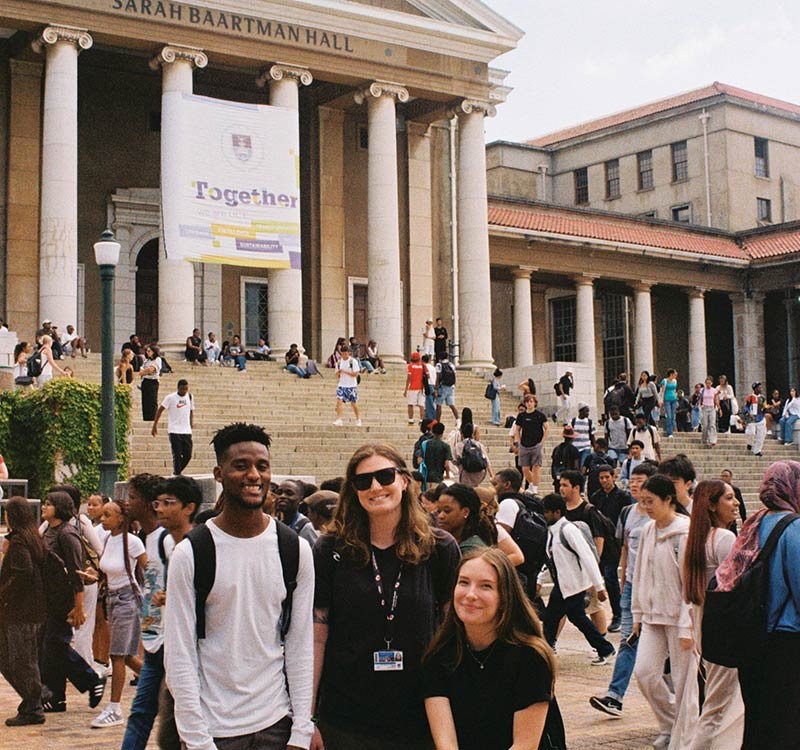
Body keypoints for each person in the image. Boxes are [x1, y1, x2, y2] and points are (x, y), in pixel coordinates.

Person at [165, 422, 315, 750]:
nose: (254, 475)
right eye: (241, 466)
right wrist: (197, 737)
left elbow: (301, 641)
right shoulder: (191, 553)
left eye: (262, 466)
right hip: (214, 729)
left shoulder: (294, 549)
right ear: (219, 474)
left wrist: (301, 729)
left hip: (276, 722)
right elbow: (179, 652)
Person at [312, 443, 461, 750]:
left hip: (420, 711)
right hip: (346, 716)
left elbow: (452, 630)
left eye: (385, 476)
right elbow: (317, 636)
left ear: (404, 481)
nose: (376, 487)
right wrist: (308, 717)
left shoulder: (439, 547)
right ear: (353, 490)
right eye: (363, 481)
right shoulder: (331, 549)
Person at [422, 548, 563, 750]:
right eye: (463, 582)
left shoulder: (530, 657)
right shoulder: (439, 656)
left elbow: (525, 745)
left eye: (485, 586)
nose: (470, 594)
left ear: (505, 597)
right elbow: (446, 743)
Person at [713, 461, 800, 749]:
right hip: (785, 642)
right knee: (785, 725)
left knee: (758, 721)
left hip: (752, 638)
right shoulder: (793, 527)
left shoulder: (754, 523)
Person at [121, 475, 200, 750]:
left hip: (179, 642)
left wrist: (173, 596)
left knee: (175, 720)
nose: (161, 509)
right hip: (157, 639)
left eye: (168, 503)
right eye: (159, 503)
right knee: (143, 711)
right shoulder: (152, 538)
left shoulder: (180, 544)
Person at [631, 474, 696, 750]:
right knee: (645, 673)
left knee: (683, 683)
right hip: (651, 616)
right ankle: (670, 724)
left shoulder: (685, 532)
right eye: (642, 502)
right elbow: (640, 573)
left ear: (668, 500)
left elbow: (690, 583)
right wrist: (637, 613)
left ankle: (685, 738)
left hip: (679, 619)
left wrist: (686, 625)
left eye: (651, 501)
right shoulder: (648, 530)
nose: (646, 507)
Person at [589, 462, 657, 718]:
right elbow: (626, 545)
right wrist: (623, 577)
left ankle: (685, 700)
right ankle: (615, 697)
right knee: (628, 640)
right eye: (633, 479)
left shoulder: (660, 512)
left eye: (641, 480)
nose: (635, 484)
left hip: (657, 589)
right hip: (632, 587)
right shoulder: (628, 511)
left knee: (667, 650)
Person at [682, 480, 744, 750]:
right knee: (717, 707)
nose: (736, 503)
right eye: (729, 498)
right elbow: (737, 587)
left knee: (716, 703)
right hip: (724, 629)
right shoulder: (724, 539)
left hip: (705, 623)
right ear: (711, 505)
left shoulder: (698, 540)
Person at [39, 492, 107, 714]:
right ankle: (56, 697)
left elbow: (76, 573)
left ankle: (91, 679)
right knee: (49, 647)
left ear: (60, 507)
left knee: (55, 644)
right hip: (48, 598)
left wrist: (78, 607)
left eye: (49, 504)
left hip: (63, 599)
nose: (44, 507)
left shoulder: (68, 534)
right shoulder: (49, 530)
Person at [538, 493, 616, 664]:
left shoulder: (568, 530)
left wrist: (599, 586)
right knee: (555, 617)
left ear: (557, 512)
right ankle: (547, 649)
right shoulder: (552, 531)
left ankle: (605, 649)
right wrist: (540, 580)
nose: (544, 515)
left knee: (572, 617)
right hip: (563, 586)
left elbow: (587, 556)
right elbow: (552, 560)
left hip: (573, 585)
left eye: (547, 512)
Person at [89, 500, 146, 728]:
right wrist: (94, 575)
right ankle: (166, 685)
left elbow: (147, 567)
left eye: (107, 515)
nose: (102, 520)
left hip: (127, 599)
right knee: (128, 655)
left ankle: (114, 708)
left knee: (117, 655)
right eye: (102, 515)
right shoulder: (106, 539)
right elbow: (107, 568)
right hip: (112, 598)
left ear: (121, 518)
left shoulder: (132, 542)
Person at [0, 497, 47, 726]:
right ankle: (35, 694)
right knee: (15, 658)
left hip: (22, 611)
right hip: (28, 610)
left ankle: (33, 705)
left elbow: (23, 573)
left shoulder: (19, 542)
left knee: (21, 660)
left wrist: (3, 593)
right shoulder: (31, 537)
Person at [558, 470, 614, 641]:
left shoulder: (588, 511)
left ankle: (603, 642)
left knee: (594, 607)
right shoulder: (560, 510)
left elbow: (598, 540)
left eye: (565, 485)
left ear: (576, 487)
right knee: (560, 608)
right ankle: (551, 643)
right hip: (566, 569)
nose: (561, 489)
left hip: (587, 570)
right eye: (560, 485)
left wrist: (592, 568)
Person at [436, 483, 497, 553]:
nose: (440, 516)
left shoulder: (471, 550)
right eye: (439, 511)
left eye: (447, 511)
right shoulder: (447, 543)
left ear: (466, 512)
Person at [515, 393, 549, 496]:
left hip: (536, 444)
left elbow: (547, 428)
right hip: (524, 444)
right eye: (527, 402)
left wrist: (542, 442)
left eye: (531, 401)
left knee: (536, 467)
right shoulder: (522, 416)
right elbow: (517, 429)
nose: (529, 404)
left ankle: (535, 487)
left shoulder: (540, 415)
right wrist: (519, 441)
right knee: (525, 468)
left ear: (534, 403)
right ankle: (531, 484)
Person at [274, 479, 318, 545]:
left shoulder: (306, 527)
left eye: (289, 493)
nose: (282, 496)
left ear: (301, 499)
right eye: (279, 493)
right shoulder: (274, 523)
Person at [454, 422, 493, 488]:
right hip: (479, 472)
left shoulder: (459, 445)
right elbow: (486, 459)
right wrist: (492, 474)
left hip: (465, 472)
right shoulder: (479, 444)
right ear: (472, 434)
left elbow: (455, 459)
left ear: (462, 434)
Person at [333, 344, 361, 427]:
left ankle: (358, 418)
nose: (344, 355)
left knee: (354, 404)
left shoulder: (353, 362)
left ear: (349, 353)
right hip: (342, 384)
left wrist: (345, 371)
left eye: (346, 354)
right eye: (343, 354)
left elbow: (355, 374)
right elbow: (336, 375)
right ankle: (339, 419)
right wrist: (338, 373)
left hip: (351, 385)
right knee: (339, 401)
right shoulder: (338, 362)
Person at [420, 422, 454, 487]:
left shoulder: (425, 444)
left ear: (432, 431)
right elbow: (446, 464)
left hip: (426, 477)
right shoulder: (445, 446)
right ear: (442, 432)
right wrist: (447, 475)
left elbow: (419, 459)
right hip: (438, 478)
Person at [550, 425, 580, 493]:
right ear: (572, 438)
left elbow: (553, 464)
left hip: (558, 479)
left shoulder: (556, 449)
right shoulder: (574, 450)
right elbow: (576, 467)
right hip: (569, 480)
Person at [434, 353, 459, 423]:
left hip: (442, 387)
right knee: (452, 405)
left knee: (438, 405)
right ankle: (458, 419)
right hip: (450, 387)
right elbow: (454, 375)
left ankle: (437, 421)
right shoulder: (451, 365)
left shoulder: (439, 365)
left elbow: (438, 377)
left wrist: (436, 388)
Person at [139, 345, 162, 421]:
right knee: (145, 400)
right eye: (147, 351)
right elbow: (141, 371)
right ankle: (146, 417)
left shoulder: (158, 359)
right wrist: (144, 372)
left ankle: (153, 417)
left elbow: (151, 370)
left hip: (153, 381)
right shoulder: (146, 360)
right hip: (145, 381)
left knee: (152, 400)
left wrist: (145, 371)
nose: (147, 352)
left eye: (149, 351)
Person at [744, 381, 767, 456]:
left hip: (761, 418)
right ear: (755, 389)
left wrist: (767, 410)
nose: (760, 388)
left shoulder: (763, 398)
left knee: (761, 435)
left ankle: (757, 451)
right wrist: (748, 413)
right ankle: (750, 443)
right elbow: (746, 407)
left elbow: (765, 407)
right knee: (750, 433)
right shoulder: (749, 397)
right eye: (759, 387)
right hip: (752, 418)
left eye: (760, 387)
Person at [570, 402, 595, 467]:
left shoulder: (589, 422)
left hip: (586, 447)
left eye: (588, 411)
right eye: (586, 411)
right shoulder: (573, 421)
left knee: (583, 466)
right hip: (575, 448)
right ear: (581, 411)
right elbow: (570, 435)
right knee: (576, 467)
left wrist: (594, 446)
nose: (587, 413)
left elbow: (592, 436)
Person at [405, 351, 427, 424]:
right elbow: (428, 375)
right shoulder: (423, 365)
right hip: (421, 387)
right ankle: (421, 420)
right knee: (421, 405)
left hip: (413, 387)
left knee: (411, 404)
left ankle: (411, 419)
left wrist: (405, 389)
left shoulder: (410, 366)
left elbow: (409, 378)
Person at [658, 369, 679, 437]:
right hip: (667, 399)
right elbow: (663, 391)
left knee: (673, 416)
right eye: (674, 374)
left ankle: (672, 429)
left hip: (674, 399)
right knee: (669, 415)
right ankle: (669, 432)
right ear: (671, 374)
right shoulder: (665, 381)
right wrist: (661, 400)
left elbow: (675, 390)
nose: (676, 375)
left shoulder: (675, 381)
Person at [421, 353, 437, 421]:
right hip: (433, 384)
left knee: (429, 402)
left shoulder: (424, 367)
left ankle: (432, 418)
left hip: (428, 384)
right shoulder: (433, 367)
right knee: (430, 402)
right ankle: (427, 417)